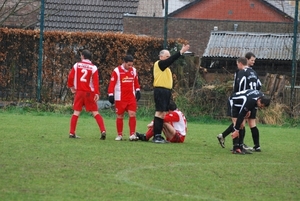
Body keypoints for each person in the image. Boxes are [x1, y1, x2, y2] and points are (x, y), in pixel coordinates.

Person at [217, 53, 262, 151]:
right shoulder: (254, 72)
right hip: (252, 100)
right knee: (246, 123)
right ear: (246, 60)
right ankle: (248, 146)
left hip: (243, 100)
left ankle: (237, 145)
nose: (253, 62)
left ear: (240, 63)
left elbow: (237, 87)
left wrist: (238, 96)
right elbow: (259, 85)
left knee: (240, 122)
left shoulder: (241, 72)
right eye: (252, 60)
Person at [152, 44, 190, 143]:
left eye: (169, 56)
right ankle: (156, 136)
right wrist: (180, 52)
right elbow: (170, 60)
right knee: (159, 112)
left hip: (166, 91)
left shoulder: (166, 69)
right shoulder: (159, 64)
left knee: (163, 113)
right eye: (167, 56)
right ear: (161, 57)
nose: (168, 58)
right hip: (160, 90)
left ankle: (158, 136)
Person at [67, 49, 106, 139]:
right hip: (89, 93)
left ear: (83, 56)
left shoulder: (77, 65)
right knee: (95, 112)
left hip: (79, 92)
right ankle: (103, 130)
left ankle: (71, 133)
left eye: (81, 55)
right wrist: (97, 93)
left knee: (76, 112)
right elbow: (96, 82)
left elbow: (70, 77)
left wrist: (71, 86)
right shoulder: (93, 67)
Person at [107, 55, 141, 141]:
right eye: (128, 65)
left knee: (132, 114)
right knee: (120, 116)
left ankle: (132, 134)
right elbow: (112, 84)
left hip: (131, 97)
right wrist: (110, 94)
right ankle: (119, 135)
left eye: (131, 65)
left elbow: (136, 82)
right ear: (124, 63)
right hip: (120, 98)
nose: (130, 67)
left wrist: (138, 90)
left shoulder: (134, 70)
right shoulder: (117, 71)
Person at [229, 89, 270, 154]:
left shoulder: (261, 96)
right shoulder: (250, 100)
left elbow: (252, 105)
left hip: (242, 103)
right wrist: (236, 130)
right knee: (236, 124)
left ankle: (241, 147)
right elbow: (241, 115)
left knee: (242, 125)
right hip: (234, 102)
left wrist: (249, 110)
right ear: (259, 100)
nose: (261, 108)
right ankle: (236, 148)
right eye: (261, 106)